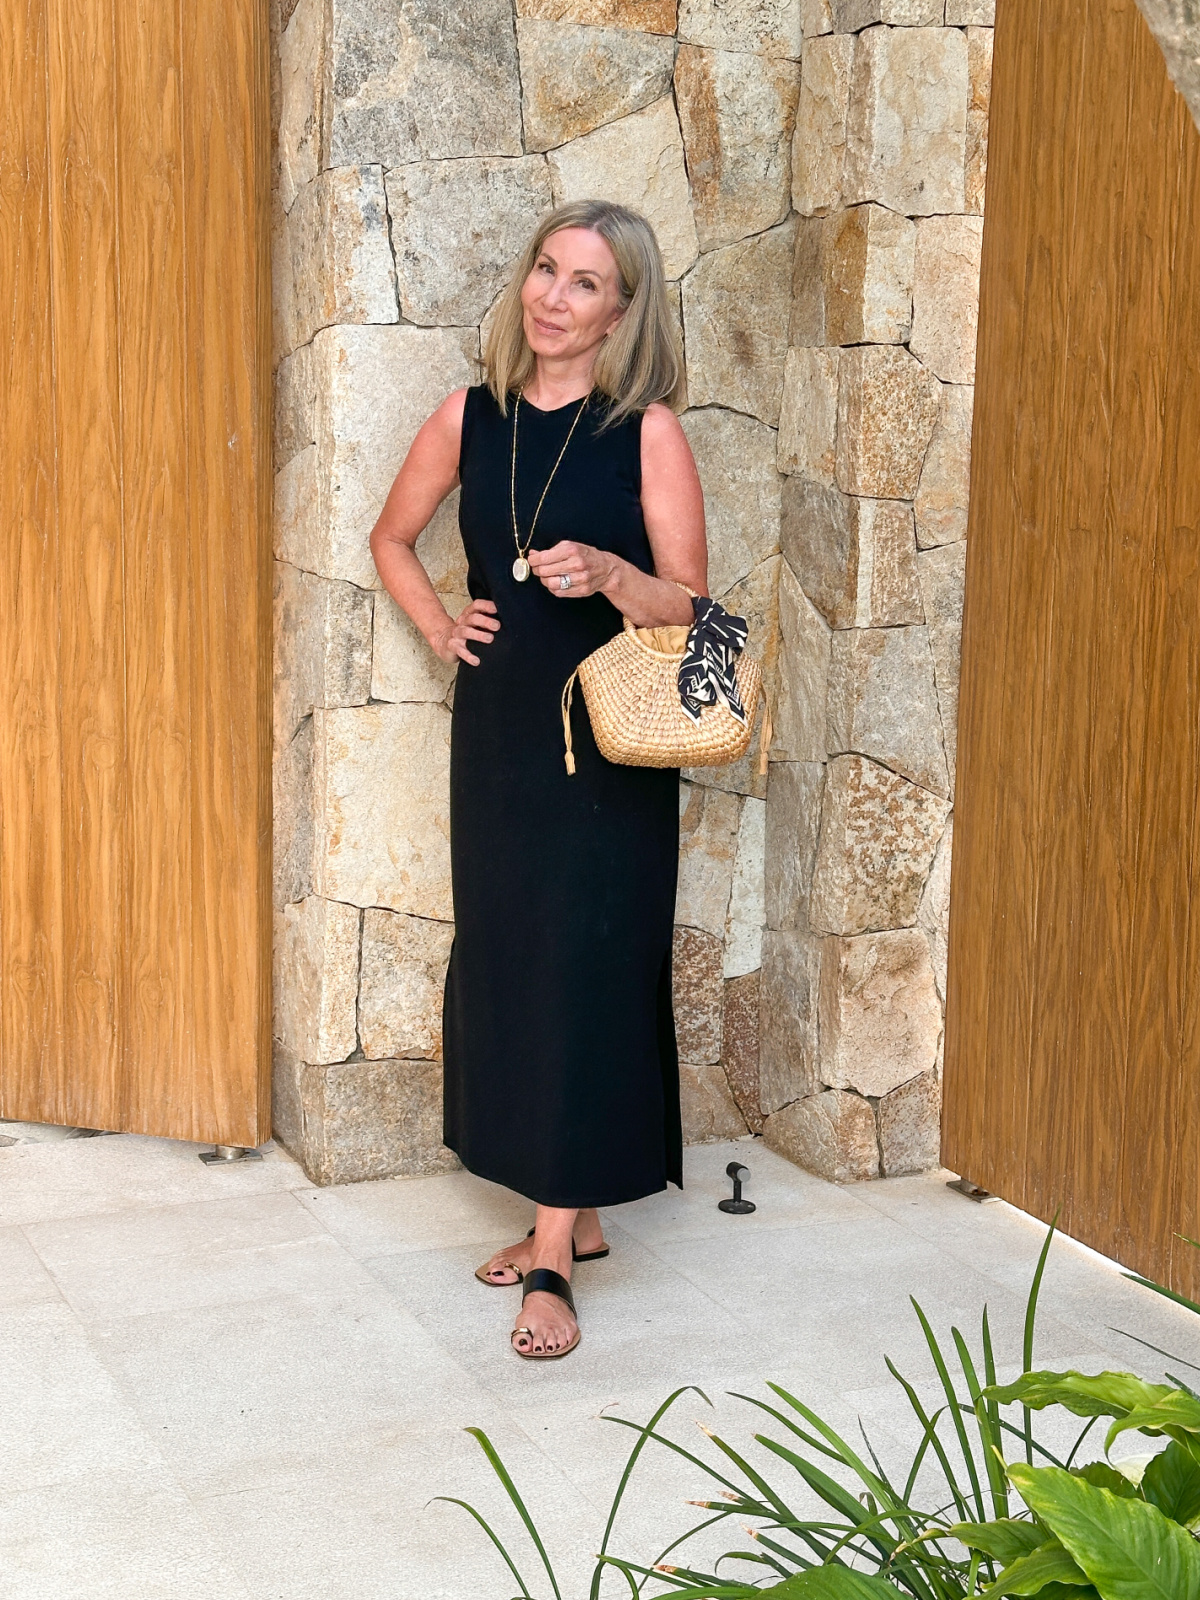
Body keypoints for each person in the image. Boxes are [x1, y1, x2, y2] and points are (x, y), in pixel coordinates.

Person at [369, 199, 707, 1360]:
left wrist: (614, 569)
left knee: (589, 966)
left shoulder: (646, 430)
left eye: (586, 283)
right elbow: (391, 538)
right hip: (503, 736)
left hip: (612, 747)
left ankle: (554, 1248)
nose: (554, 297)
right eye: (547, 272)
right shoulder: (467, 417)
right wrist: (436, 624)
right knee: (516, 959)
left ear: (623, 311)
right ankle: (578, 1211)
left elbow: (694, 606)